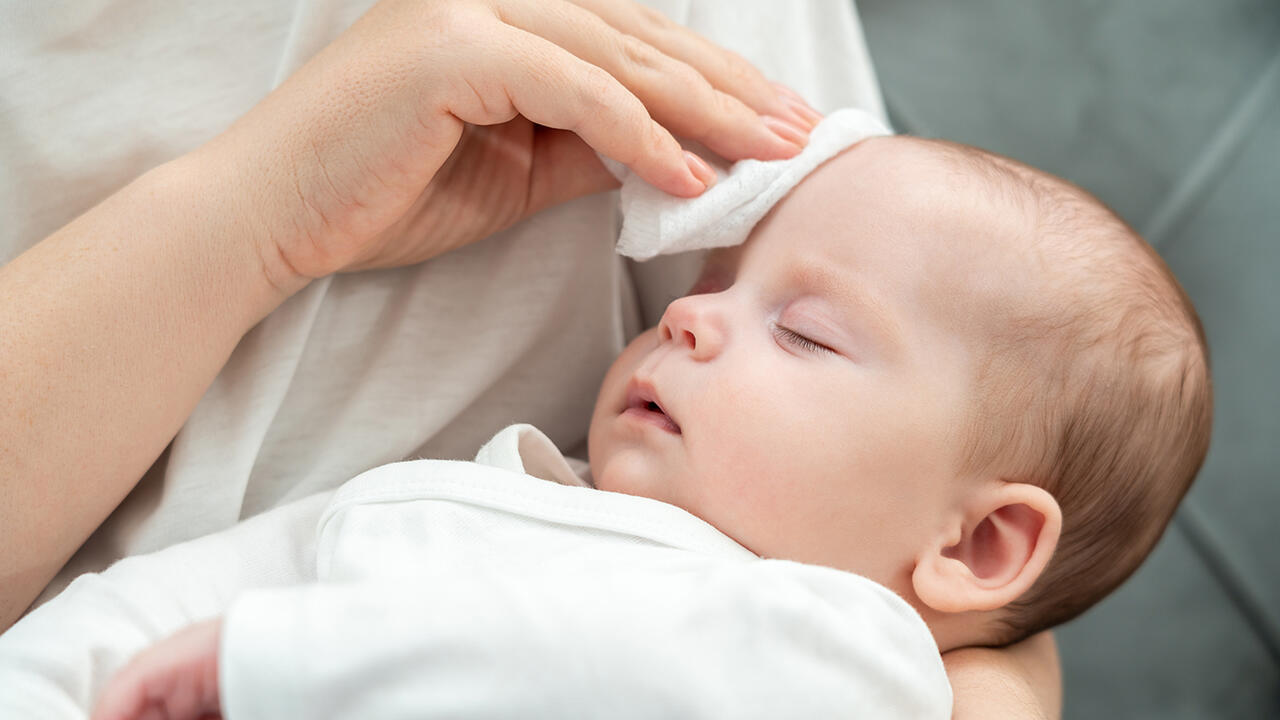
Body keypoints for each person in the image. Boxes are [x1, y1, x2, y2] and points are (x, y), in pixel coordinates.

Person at [0, 0, 1062, 716]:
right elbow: (147, 612)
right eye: (704, 287)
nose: (688, 319)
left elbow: (977, 457)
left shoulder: (835, 640)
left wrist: (267, 664)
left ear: (977, 547)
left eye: (800, 333)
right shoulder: (442, 500)